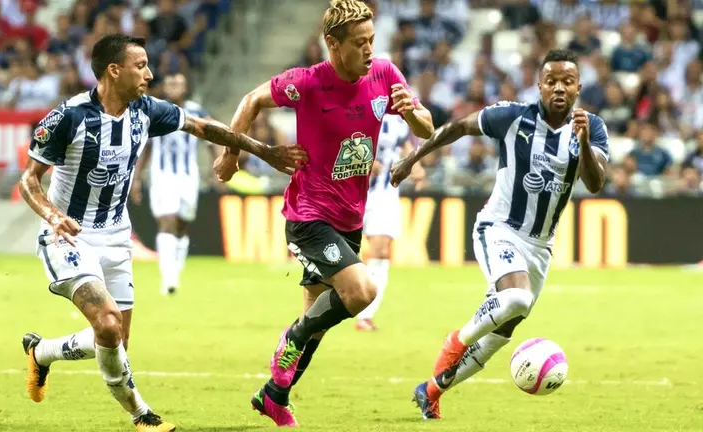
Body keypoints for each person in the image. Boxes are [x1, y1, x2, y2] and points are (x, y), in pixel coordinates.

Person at [18, 34, 306, 432]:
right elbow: (28, 180)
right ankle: (143, 415)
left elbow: (204, 127)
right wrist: (53, 216)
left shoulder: (145, 110)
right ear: (113, 71)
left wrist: (261, 150)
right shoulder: (68, 117)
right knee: (106, 324)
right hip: (69, 236)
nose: (149, 75)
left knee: (114, 341)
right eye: (141, 66)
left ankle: (42, 352)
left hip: (116, 236)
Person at [212, 0, 434, 426]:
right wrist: (230, 155)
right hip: (308, 217)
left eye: (372, 40)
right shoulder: (308, 83)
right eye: (359, 43)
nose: (369, 50)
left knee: (314, 323)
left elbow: (425, 127)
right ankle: (287, 343)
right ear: (333, 44)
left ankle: (274, 395)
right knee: (361, 293)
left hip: (351, 219)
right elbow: (252, 99)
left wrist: (412, 112)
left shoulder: (385, 75)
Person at [390, 49, 609, 420]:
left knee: (501, 333)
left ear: (578, 88)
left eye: (567, 81)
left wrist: (584, 143)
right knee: (516, 299)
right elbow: (458, 127)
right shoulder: (513, 117)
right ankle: (456, 340)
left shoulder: (592, 127)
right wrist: (413, 159)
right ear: (539, 85)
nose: (559, 87)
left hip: (540, 247)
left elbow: (596, 182)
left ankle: (431, 391)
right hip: (500, 228)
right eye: (551, 80)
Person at [131, 73, 218, 295]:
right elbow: (147, 148)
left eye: (179, 82)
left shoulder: (197, 112)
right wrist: (137, 178)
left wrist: (218, 165)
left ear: (186, 86)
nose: (175, 87)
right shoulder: (156, 110)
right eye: (171, 83)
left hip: (188, 177)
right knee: (167, 221)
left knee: (182, 225)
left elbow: (213, 140)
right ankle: (168, 278)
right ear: (165, 88)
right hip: (162, 177)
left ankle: (175, 273)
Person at [355, 113, 422, 331]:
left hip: (384, 195)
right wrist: (362, 159)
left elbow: (404, 144)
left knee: (381, 252)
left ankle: (365, 315)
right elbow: (334, 140)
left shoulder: (397, 120)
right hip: (349, 192)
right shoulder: (356, 108)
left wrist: (415, 165)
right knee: (340, 251)